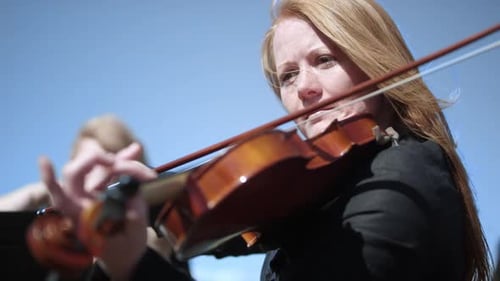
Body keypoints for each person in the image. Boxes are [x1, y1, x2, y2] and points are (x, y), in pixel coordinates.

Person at [36, 0, 491, 280]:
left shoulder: (403, 175)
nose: (303, 89)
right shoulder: (324, 186)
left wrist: (136, 265)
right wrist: (144, 199)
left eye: (325, 60)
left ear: (375, 64)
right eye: (289, 75)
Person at [0, 114, 190, 280]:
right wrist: (35, 193)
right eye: (91, 164)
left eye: (112, 159)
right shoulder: (60, 237)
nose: (104, 173)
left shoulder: (158, 233)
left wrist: (130, 267)